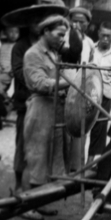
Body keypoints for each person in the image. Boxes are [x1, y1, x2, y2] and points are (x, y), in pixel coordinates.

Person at [22, 15, 72, 205]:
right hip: (40, 108)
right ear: (45, 31)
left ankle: (40, 203)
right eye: (59, 34)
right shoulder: (33, 54)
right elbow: (39, 82)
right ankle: (26, 206)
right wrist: (68, 84)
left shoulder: (53, 53)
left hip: (55, 107)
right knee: (37, 156)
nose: (62, 39)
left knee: (52, 157)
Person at [89, 23, 111, 159]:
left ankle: (90, 161)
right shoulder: (90, 49)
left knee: (99, 129)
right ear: (98, 34)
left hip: (105, 95)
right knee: (81, 126)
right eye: (103, 35)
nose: (105, 39)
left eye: (109, 36)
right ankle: (75, 163)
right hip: (87, 92)